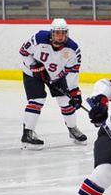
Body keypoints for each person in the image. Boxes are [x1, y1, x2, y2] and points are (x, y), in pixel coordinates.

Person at [18, 18, 87, 148]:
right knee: (37, 100)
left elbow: (73, 71)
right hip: (32, 73)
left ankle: (72, 129)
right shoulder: (38, 39)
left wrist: (74, 92)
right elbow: (23, 52)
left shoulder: (73, 49)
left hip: (56, 76)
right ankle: (27, 134)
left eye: (63, 33)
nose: (60, 36)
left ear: (67, 33)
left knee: (66, 101)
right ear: (52, 33)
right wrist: (33, 65)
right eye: (57, 33)